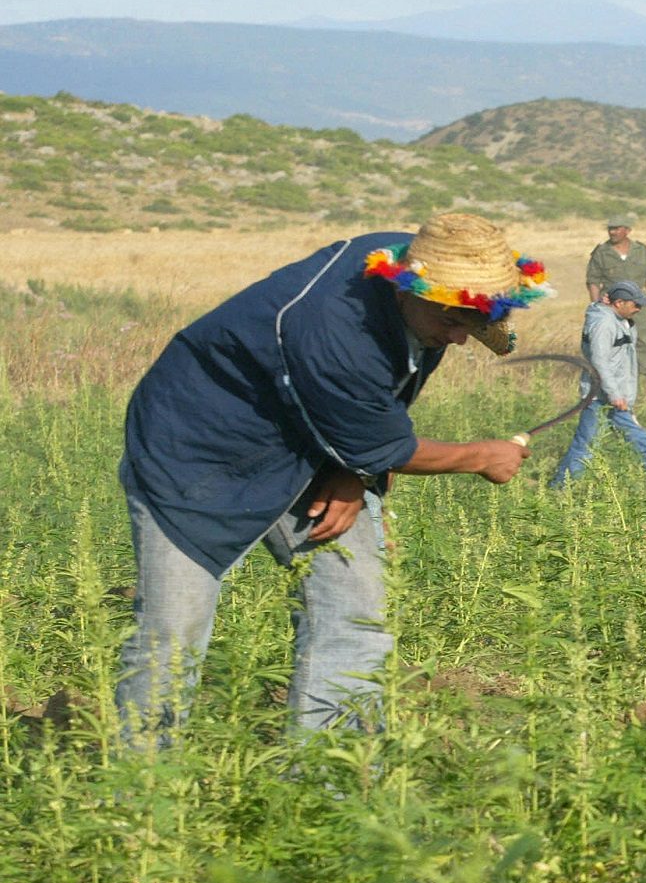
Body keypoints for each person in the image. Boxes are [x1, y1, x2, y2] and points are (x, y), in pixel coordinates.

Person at [116, 213, 549, 747]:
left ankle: (333, 774)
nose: (461, 338)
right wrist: (481, 456)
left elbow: (377, 409)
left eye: (476, 322)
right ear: (408, 289)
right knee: (173, 631)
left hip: (310, 444)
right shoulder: (332, 328)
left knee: (356, 612)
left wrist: (352, 475)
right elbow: (383, 440)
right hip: (197, 449)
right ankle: (142, 782)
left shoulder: (419, 275)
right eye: (453, 319)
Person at [548, 281, 646, 487]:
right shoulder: (603, 324)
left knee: (590, 444)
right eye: (636, 304)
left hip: (613, 395)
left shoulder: (620, 319)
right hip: (602, 398)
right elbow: (599, 362)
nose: (639, 308)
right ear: (619, 303)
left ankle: (559, 486)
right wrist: (615, 395)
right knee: (594, 445)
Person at [586, 215, 646, 397]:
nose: (612, 232)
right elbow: (593, 281)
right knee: (614, 344)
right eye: (610, 229)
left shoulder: (640, 251)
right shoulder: (601, 252)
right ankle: (612, 386)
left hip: (637, 305)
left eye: (616, 228)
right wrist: (596, 307)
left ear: (627, 230)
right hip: (612, 308)